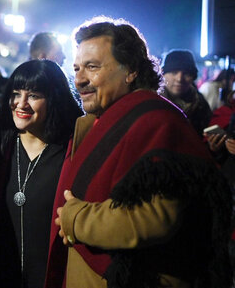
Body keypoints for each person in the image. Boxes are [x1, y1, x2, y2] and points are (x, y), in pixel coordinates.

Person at [47, 16, 232, 288]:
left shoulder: (157, 121)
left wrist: (75, 218)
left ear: (131, 70)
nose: (80, 79)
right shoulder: (103, 118)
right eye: (76, 69)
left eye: (92, 67)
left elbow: (154, 219)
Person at [0, 59, 82, 288]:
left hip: (54, 276)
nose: (21, 104)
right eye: (15, 93)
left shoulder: (71, 151)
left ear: (53, 99)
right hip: (2, 274)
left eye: (33, 95)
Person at [159, 49, 212, 136]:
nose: (179, 79)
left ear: (193, 77)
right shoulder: (152, 101)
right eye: (174, 72)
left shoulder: (200, 103)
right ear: (163, 75)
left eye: (186, 74)